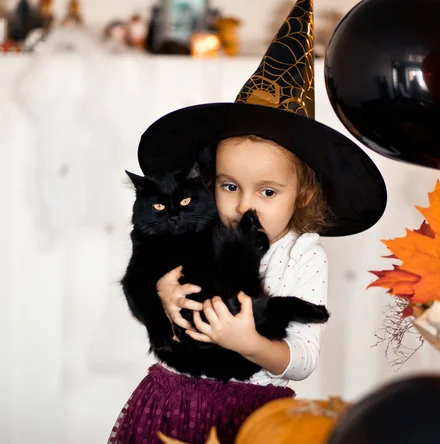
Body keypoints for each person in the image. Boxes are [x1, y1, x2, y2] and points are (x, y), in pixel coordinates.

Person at [108, 1, 387, 443]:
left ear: (304, 194)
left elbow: (302, 359)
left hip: (254, 419)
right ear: (209, 182)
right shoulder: (196, 229)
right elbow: (146, 285)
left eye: (268, 191)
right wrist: (160, 293)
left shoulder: (303, 256)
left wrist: (249, 343)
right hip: (173, 400)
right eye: (230, 186)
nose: (245, 207)